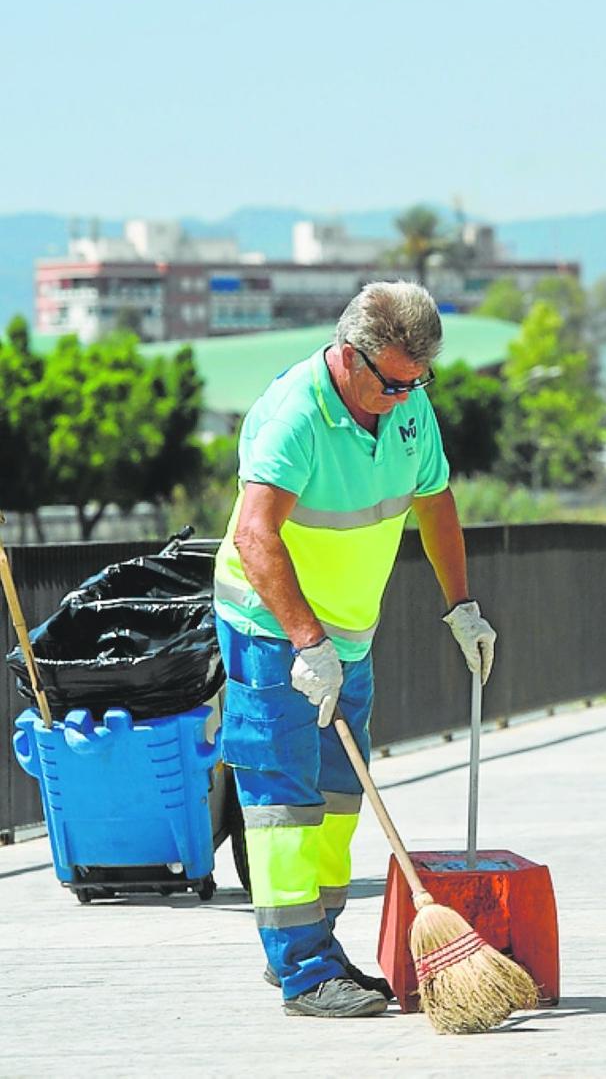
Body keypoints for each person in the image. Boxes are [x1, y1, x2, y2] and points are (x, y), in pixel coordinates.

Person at [212, 281, 497, 1018]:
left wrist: (460, 606)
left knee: (341, 795)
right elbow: (254, 535)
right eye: (394, 381)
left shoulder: (409, 410)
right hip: (273, 629)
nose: (407, 396)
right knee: (282, 801)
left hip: (351, 632)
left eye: (418, 381)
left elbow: (435, 506)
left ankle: (318, 947)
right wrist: (306, 643)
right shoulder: (293, 415)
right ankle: (302, 971)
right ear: (350, 354)